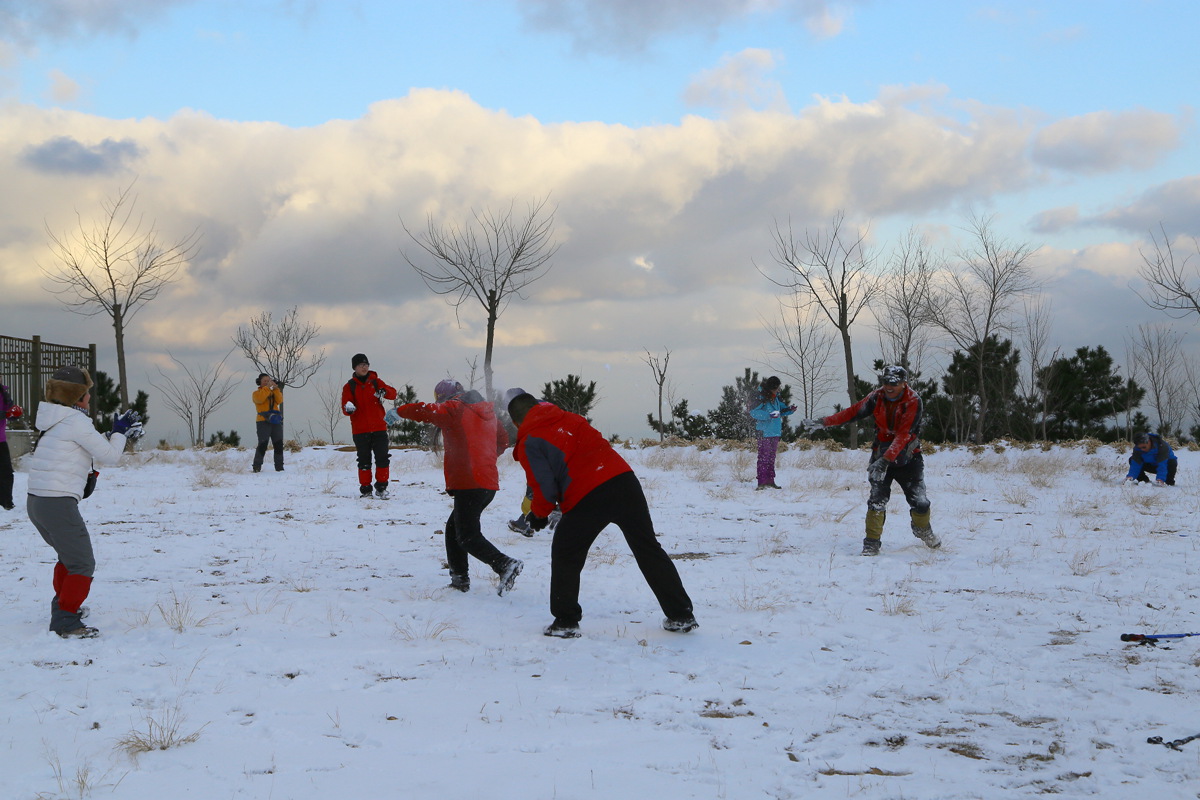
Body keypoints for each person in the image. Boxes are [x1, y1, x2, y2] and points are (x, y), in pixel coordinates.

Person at [507, 391, 697, 638]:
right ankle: (681, 614)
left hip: (587, 495)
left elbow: (542, 484)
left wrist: (539, 514)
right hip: (624, 482)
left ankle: (565, 622)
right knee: (647, 548)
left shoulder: (530, 440)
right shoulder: (573, 419)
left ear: (515, 422)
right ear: (539, 405)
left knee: (566, 553)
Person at [25, 365, 143, 637]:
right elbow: (111, 456)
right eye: (87, 393)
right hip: (57, 503)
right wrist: (120, 432)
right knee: (82, 563)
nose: (90, 398)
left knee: (69, 558)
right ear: (76, 397)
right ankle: (66, 620)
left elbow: (86, 446)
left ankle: (64, 607)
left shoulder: (54, 417)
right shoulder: (76, 421)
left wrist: (117, 436)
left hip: (38, 503)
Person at [388, 379, 523, 595]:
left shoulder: (454, 408)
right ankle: (459, 579)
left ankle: (504, 564)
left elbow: (426, 411)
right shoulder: (485, 411)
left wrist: (399, 411)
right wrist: (485, 458)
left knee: (467, 536)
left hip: (470, 482)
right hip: (486, 483)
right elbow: (503, 439)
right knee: (454, 531)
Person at [799, 365, 940, 557]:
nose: (889, 387)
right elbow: (851, 412)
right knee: (876, 500)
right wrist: (824, 422)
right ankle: (871, 543)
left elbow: (904, 434)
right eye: (885, 382)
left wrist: (886, 461)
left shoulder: (913, 400)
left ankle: (923, 529)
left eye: (894, 383)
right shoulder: (877, 397)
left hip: (908, 457)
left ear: (904, 383)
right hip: (880, 454)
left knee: (920, 502)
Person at [341, 354, 398, 498]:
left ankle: (381, 488)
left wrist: (384, 392)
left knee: (382, 458)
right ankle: (366, 490)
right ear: (354, 367)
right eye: (361, 365)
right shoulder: (349, 386)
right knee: (364, 460)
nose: (364, 367)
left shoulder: (376, 382)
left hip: (379, 428)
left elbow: (393, 394)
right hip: (360, 430)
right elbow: (345, 406)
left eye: (366, 364)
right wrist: (349, 408)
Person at [748, 375, 796, 490]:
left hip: (774, 432)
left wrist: (790, 410)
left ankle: (770, 481)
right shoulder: (762, 398)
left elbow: (781, 412)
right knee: (763, 458)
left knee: (771, 458)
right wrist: (768, 416)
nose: (779, 390)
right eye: (777, 388)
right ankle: (761, 482)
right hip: (763, 432)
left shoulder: (776, 398)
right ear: (771, 388)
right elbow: (753, 412)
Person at [251, 373, 285, 473]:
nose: (267, 383)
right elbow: (260, 399)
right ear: (260, 383)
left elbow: (279, 400)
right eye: (265, 381)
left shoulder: (273, 392)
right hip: (263, 421)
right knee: (263, 444)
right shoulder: (256, 393)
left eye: (268, 380)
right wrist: (267, 388)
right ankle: (257, 466)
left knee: (278, 444)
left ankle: (279, 467)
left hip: (275, 420)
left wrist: (276, 389)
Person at [1, 382, 23, 510]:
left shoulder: (4, 393)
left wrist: (15, 414)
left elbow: (10, 413)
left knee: (7, 473)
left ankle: (7, 501)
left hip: (1, 439)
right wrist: (5, 414)